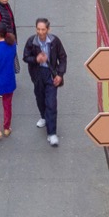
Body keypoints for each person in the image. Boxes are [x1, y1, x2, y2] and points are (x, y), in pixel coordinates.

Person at [23, 18, 67, 146]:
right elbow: (26, 57)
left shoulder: (54, 41)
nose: (40, 32)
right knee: (40, 98)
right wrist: (36, 59)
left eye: (43, 29)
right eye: (38, 29)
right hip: (37, 74)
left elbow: (62, 58)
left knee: (51, 103)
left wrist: (60, 74)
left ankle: (52, 133)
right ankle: (43, 116)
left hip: (50, 74)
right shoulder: (31, 41)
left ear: (48, 29)